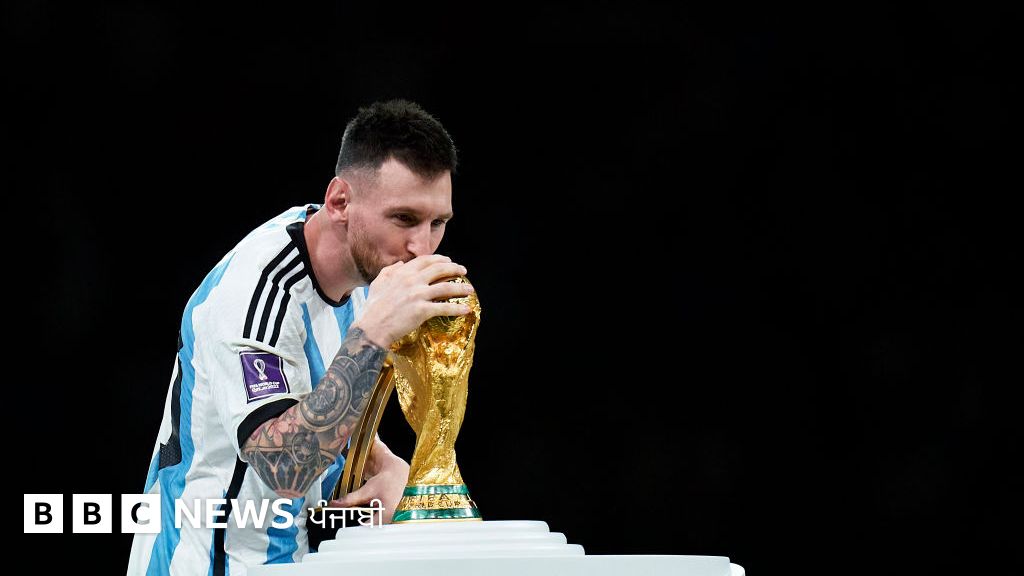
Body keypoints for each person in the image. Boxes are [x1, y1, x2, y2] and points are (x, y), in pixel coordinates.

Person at [127, 99, 474, 576]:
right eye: (404, 219)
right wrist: (372, 334)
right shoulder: (254, 296)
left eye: (438, 223)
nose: (422, 247)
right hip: (203, 562)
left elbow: (319, 398)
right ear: (340, 203)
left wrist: (387, 465)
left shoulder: (366, 270)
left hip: (288, 561)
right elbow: (285, 468)